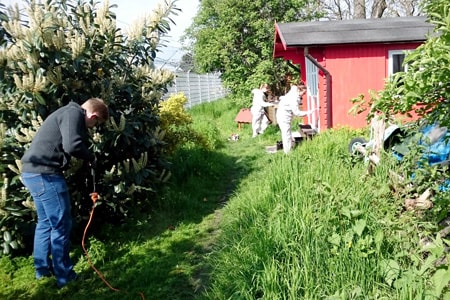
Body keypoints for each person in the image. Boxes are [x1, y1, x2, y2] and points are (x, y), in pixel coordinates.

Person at [20, 98, 109, 288]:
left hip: (31, 172)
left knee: (45, 223)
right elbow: (73, 145)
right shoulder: (74, 113)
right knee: (61, 224)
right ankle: (65, 276)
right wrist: (90, 156)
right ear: (93, 115)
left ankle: (42, 271)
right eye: (96, 123)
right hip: (46, 175)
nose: (93, 127)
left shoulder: (66, 112)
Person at [276, 83, 312, 154]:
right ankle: (288, 153)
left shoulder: (293, 92)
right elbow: (297, 113)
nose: (303, 94)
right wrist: (308, 112)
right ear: (299, 90)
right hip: (283, 117)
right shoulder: (293, 98)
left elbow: (294, 87)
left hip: (283, 115)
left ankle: (288, 149)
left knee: (287, 134)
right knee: (286, 135)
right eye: (303, 93)